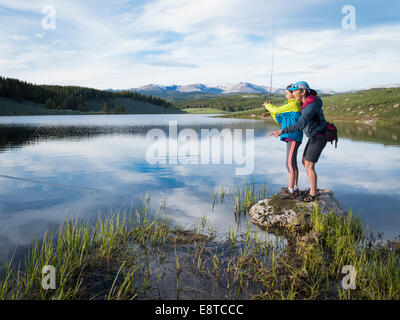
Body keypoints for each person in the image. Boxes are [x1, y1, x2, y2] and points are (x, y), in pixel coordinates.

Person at [270, 81, 327, 202]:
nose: (293, 93)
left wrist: (282, 131)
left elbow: (300, 124)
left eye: (295, 90)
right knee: (304, 162)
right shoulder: (305, 103)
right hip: (314, 136)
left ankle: (312, 195)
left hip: (319, 136)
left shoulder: (310, 105)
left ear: (303, 91)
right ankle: (303, 189)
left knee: (309, 165)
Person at [264, 86, 303, 199]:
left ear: (293, 94)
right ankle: (294, 188)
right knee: (292, 162)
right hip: (290, 136)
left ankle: (290, 189)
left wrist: (268, 105)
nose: (285, 95)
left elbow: (276, 110)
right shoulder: (289, 106)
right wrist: (270, 110)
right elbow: (279, 119)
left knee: (289, 163)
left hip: (293, 136)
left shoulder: (294, 104)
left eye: (287, 93)